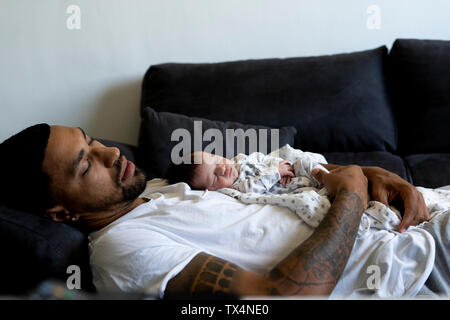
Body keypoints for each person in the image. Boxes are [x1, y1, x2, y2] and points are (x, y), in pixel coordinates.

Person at [2, 123, 446, 299]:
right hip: (411, 264)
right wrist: (350, 192)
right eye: (86, 163)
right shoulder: (121, 250)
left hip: (418, 212)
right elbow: (273, 300)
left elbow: (286, 171)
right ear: (60, 215)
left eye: (92, 140)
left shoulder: (157, 189)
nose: (110, 152)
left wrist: (370, 173)